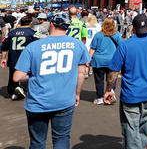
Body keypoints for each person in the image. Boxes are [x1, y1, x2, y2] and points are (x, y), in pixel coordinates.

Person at [13, 15, 90, 149]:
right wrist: (77, 93)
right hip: (64, 100)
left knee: (37, 142)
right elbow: (81, 72)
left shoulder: (34, 46)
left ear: (51, 25)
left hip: (38, 101)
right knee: (61, 138)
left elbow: (17, 77)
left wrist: (30, 77)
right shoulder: (78, 45)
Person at [105, 14, 147, 149]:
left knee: (130, 130)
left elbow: (113, 72)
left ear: (133, 29)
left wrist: (108, 89)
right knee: (146, 129)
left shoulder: (125, 45)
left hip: (131, 95)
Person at [1, 16, 38, 100]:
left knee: (13, 76)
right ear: (30, 23)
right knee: (27, 76)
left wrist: (3, 58)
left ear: (20, 22)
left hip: (13, 57)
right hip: (26, 59)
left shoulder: (11, 33)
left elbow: (4, 47)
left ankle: (13, 90)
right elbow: (37, 46)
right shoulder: (33, 33)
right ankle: (23, 91)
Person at [90, 17, 122, 105]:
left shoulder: (98, 35)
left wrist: (88, 60)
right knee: (111, 79)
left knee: (99, 80)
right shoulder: (117, 35)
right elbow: (121, 48)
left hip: (99, 60)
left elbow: (92, 49)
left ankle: (100, 97)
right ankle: (109, 93)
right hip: (112, 61)